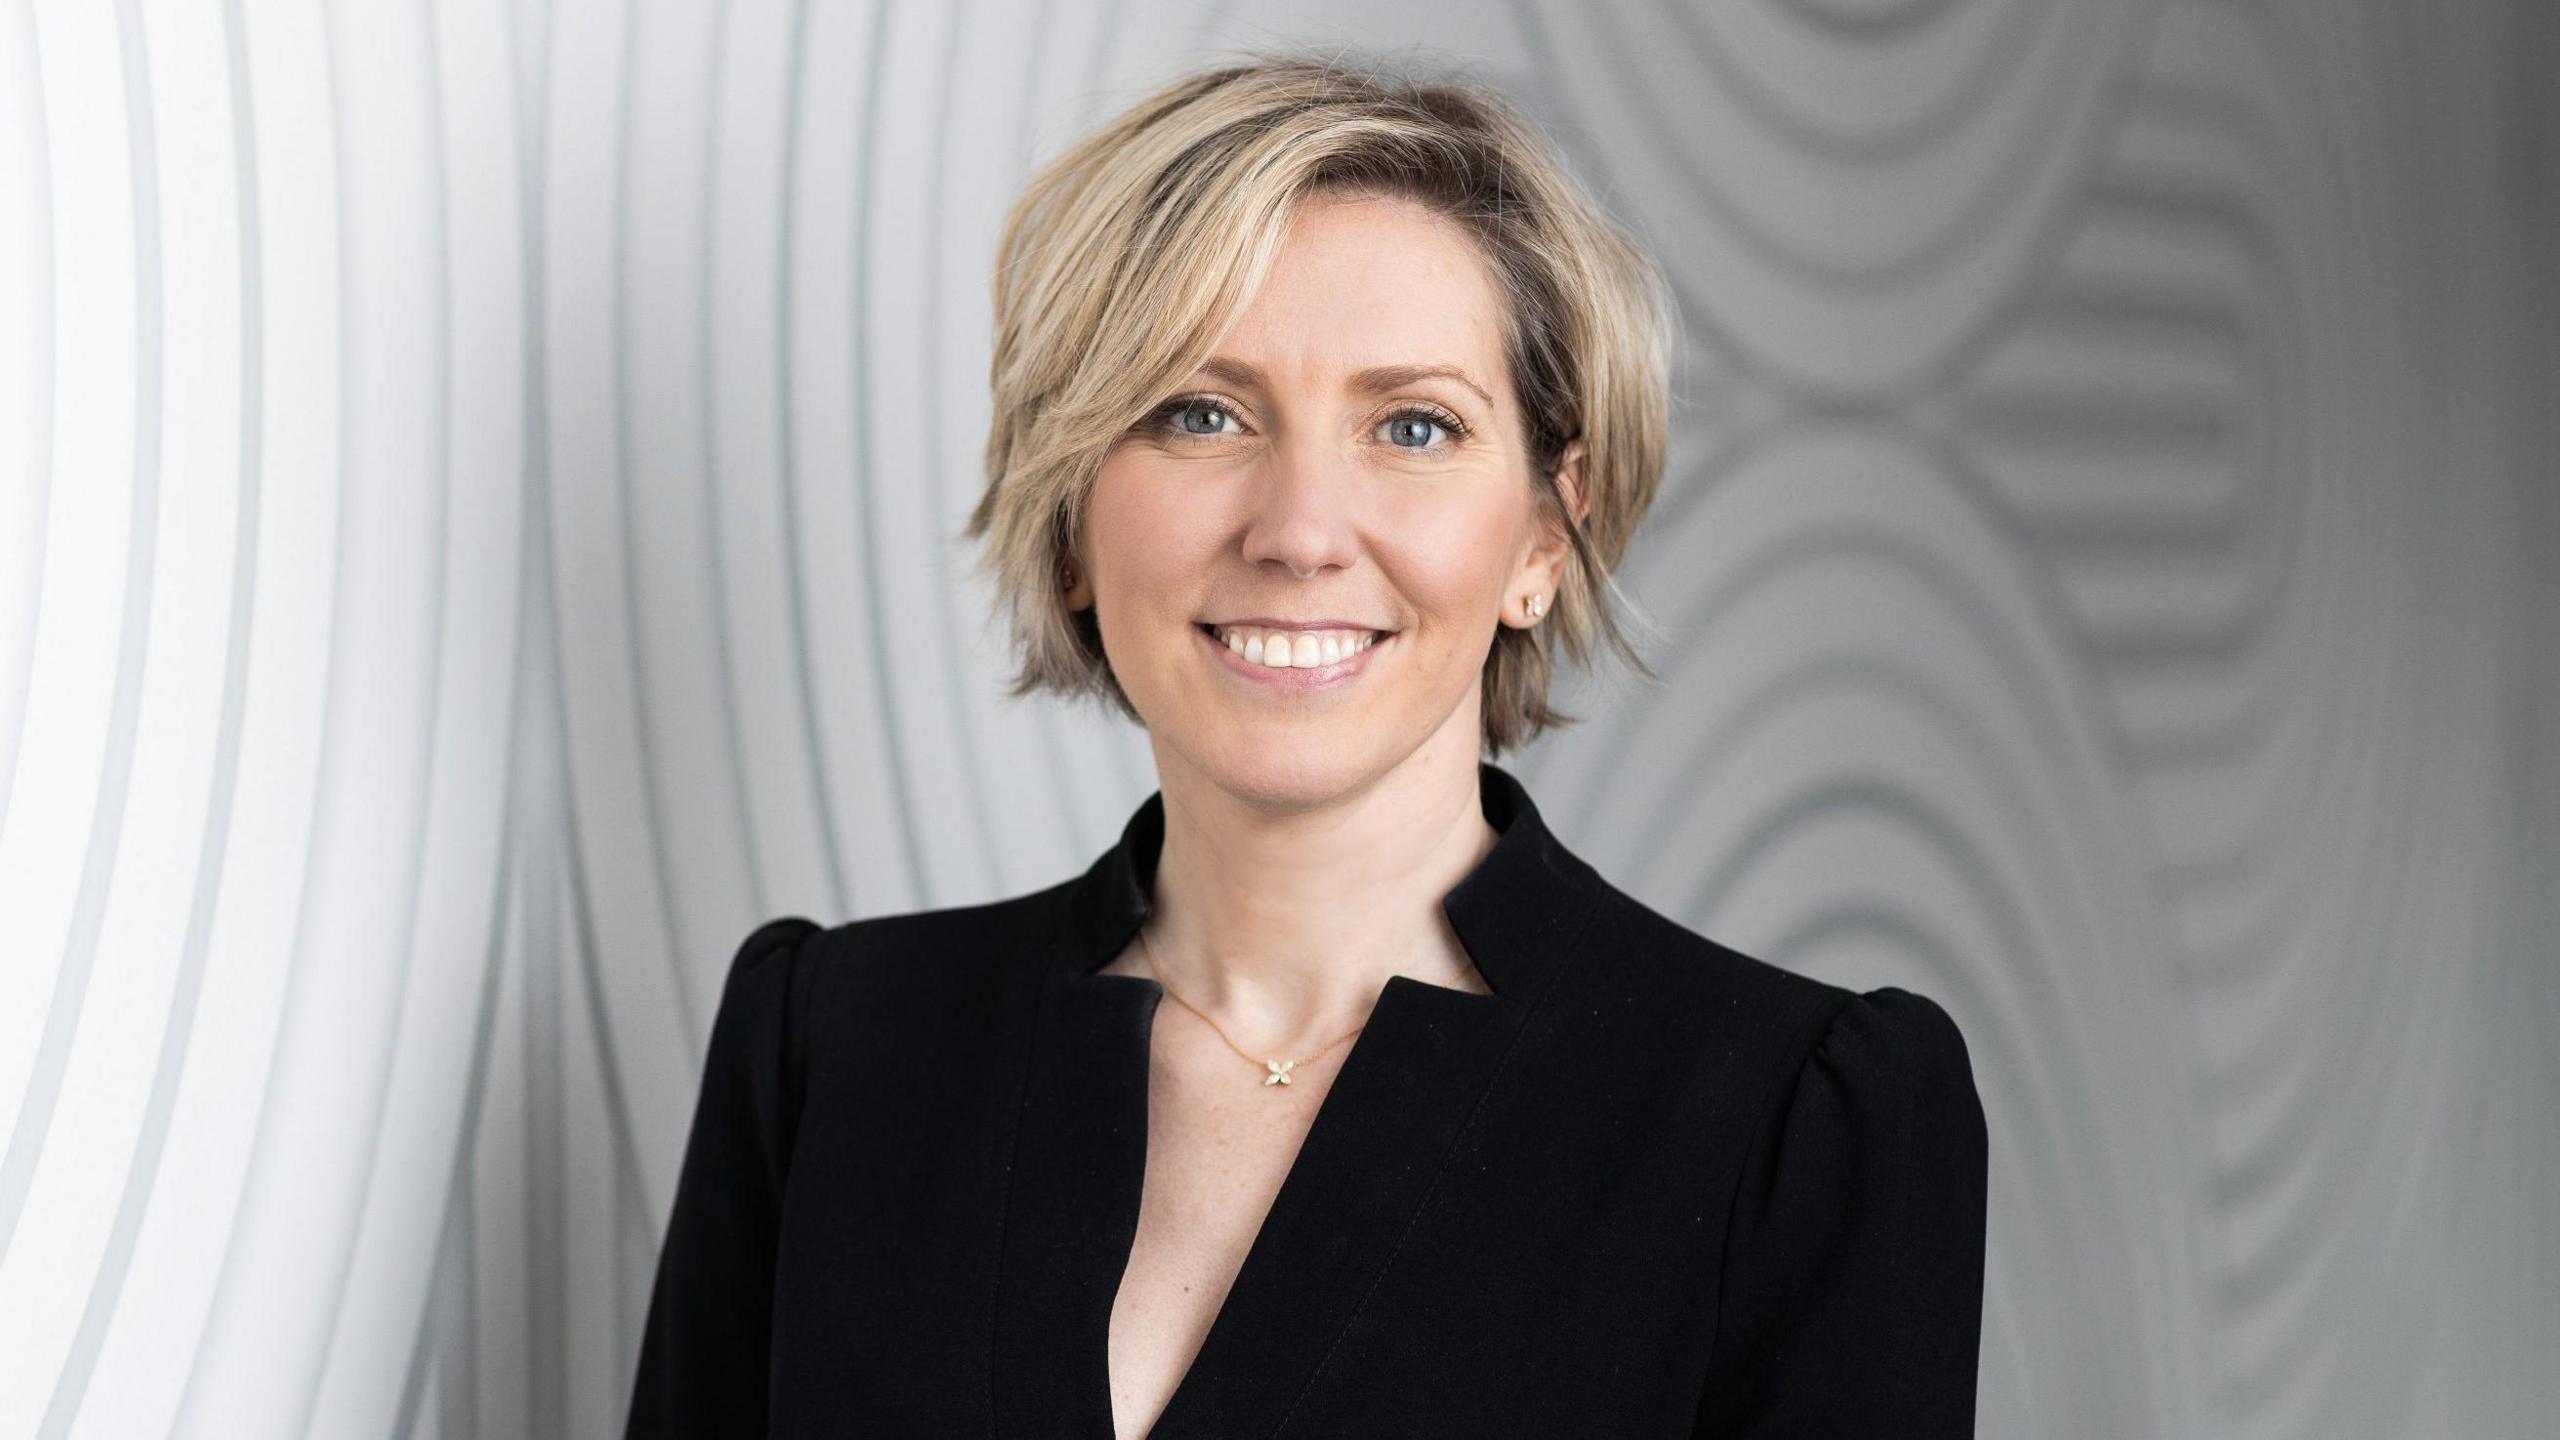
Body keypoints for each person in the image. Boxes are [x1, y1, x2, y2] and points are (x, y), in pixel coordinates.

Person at [627, 48, 1987, 1440]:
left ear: (1541, 534)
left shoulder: (1796, 1118)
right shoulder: (835, 1051)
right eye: (1199, 413)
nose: (1298, 529)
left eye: (1414, 426)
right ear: (1074, 510)